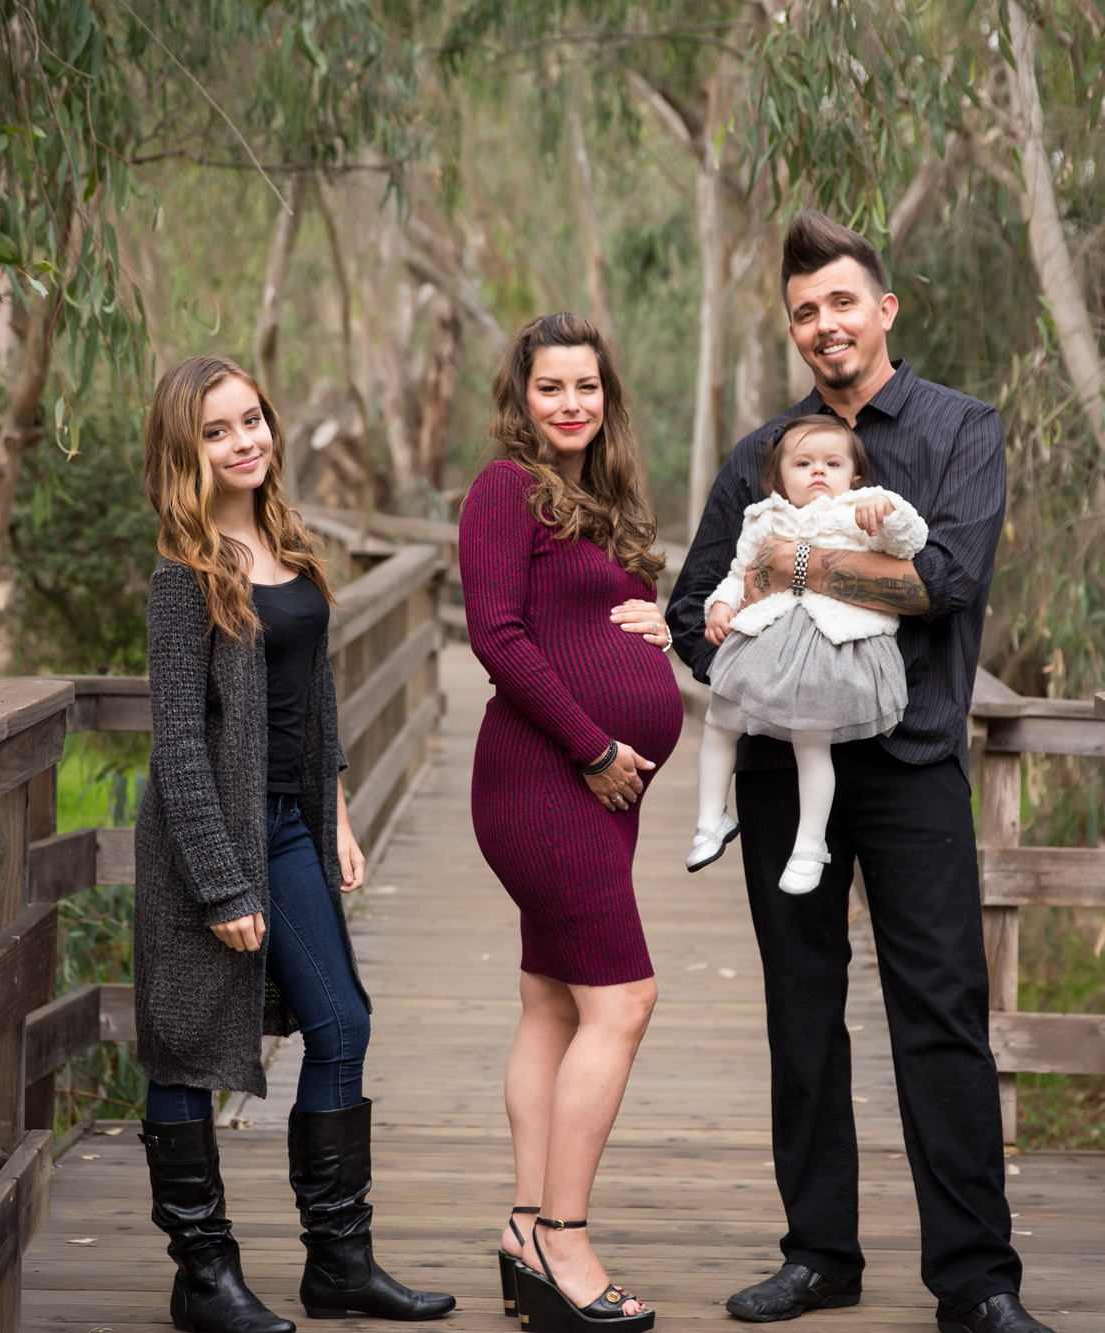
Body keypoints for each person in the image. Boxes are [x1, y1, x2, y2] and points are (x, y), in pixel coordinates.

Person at [666, 214, 1056, 1333]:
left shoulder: (957, 429)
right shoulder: (760, 453)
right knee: (800, 1010)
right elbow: (696, 605)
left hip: (912, 761)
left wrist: (798, 561)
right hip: (786, 775)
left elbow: (945, 580)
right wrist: (750, 662)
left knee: (940, 1010)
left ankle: (976, 1279)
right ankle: (818, 1255)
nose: (822, 324)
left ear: (882, 309)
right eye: (802, 311)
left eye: (840, 302)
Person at [134, 354, 455, 1333]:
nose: (245, 440)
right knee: (186, 1046)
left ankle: (339, 1263)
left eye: (252, 419)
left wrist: (339, 813)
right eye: (219, 431)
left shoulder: (288, 546)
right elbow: (180, 744)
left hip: (288, 826)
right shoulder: (183, 578)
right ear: (187, 454)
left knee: (341, 1023)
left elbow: (313, 695)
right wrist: (222, 885)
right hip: (208, 843)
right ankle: (203, 1275)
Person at [458, 313, 683, 1333]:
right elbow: (496, 634)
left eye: (585, 387)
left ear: (606, 397)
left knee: (553, 999)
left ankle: (520, 1226)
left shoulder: (599, 507)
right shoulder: (503, 490)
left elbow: (586, 621)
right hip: (547, 778)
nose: (569, 404)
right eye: (549, 387)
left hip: (595, 790)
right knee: (621, 1000)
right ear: (522, 398)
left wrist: (657, 625)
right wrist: (594, 745)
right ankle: (564, 1237)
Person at [688, 414, 927, 893]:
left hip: (829, 646)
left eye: (832, 463)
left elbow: (910, 542)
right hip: (766, 642)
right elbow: (740, 571)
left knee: (811, 742)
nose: (818, 472)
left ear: (853, 476)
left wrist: (885, 512)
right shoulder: (764, 516)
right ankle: (710, 817)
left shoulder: (862, 507)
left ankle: (810, 843)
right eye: (803, 463)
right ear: (779, 478)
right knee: (719, 721)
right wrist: (721, 604)